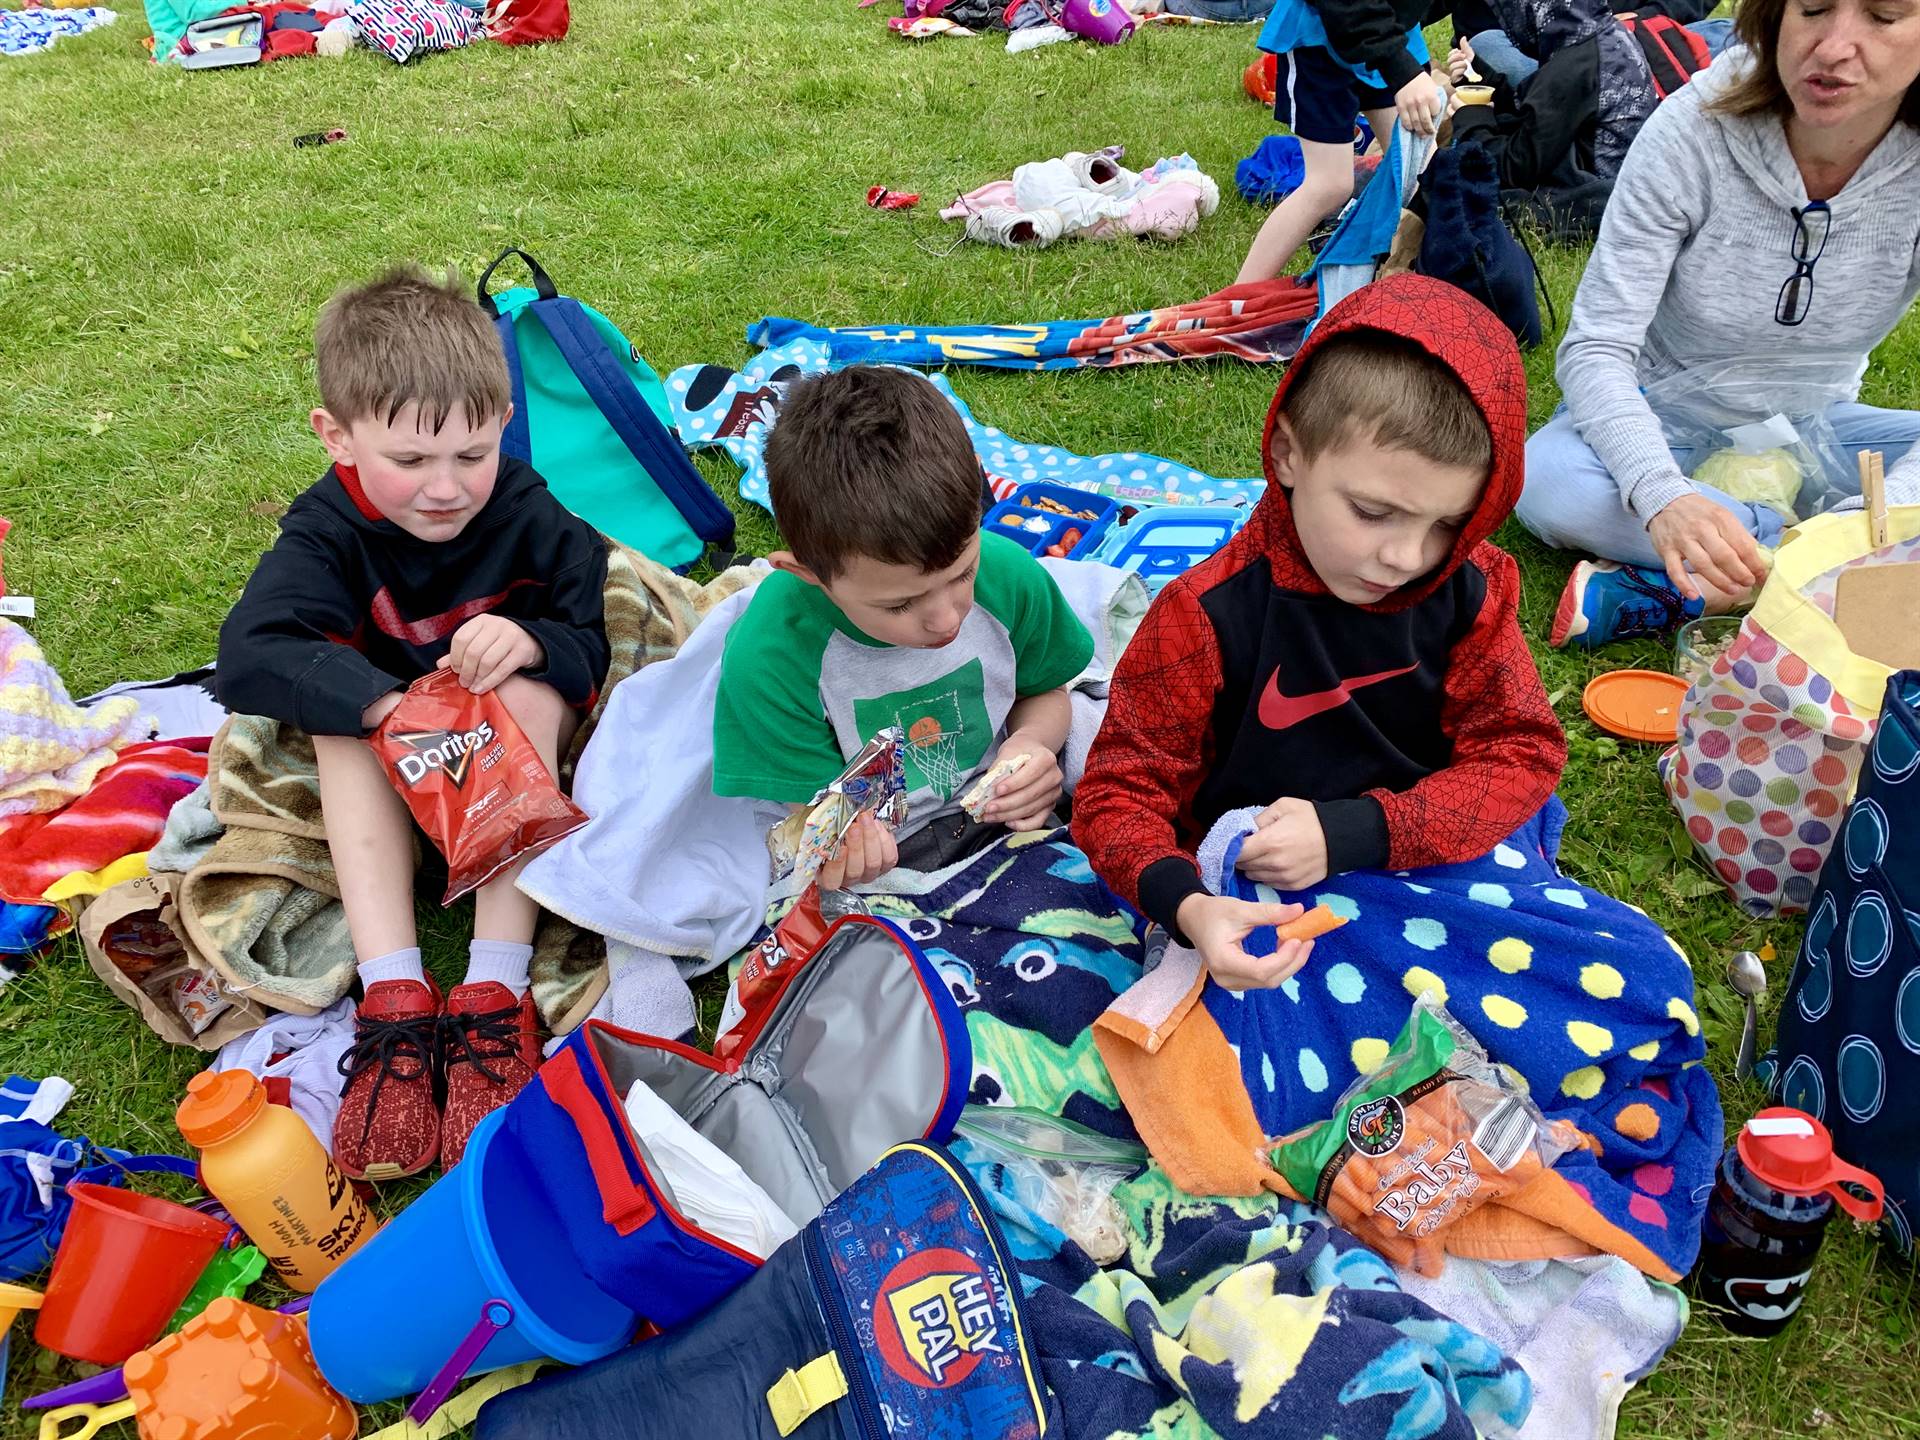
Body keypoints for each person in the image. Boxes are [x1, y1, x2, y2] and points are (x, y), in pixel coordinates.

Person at [216, 266, 609, 1180]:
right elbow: (251, 652)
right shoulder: (325, 531)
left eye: (472, 455)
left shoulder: (524, 505)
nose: (446, 487)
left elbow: (589, 628)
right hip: (394, 760)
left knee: (522, 699)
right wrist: (388, 709)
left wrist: (532, 641)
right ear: (338, 438)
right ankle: (393, 993)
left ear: (503, 423)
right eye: (411, 460)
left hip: (502, 750)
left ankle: (492, 991)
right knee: (342, 728)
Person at [1072, 274, 1566, 989]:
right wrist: (1189, 910)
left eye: (1449, 524)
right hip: (1253, 902)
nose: (1406, 557)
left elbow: (1521, 751)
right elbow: (1118, 794)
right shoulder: (1203, 614)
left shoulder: (1472, 587)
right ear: (1287, 456)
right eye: (1373, 512)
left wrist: (1354, 833)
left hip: (1422, 852)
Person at [1520, 0, 1920, 648]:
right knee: (1546, 481)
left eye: (1884, 16)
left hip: (1810, 433)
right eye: (1814, 8)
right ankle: (1828, 575)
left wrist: (1886, 507)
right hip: (1666, 420)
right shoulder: (1693, 129)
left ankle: (1698, 580)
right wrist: (1660, 495)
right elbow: (1596, 346)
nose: (1836, 46)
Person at [711, 365, 1093, 889]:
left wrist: (1032, 744)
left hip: (1003, 820)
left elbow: (1044, 690)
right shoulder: (771, 656)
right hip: (891, 855)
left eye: (963, 574)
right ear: (809, 575)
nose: (948, 618)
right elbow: (806, 815)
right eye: (899, 605)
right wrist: (839, 844)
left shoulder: (1012, 578)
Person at [1234, 0, 1450, 283]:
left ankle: (1435, 284)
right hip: (1321, 37)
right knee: (1329, 185)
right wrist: (1402, 69)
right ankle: (1239, 296)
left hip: (1389, 32)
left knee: (1425, 172)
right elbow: (1343, 7)